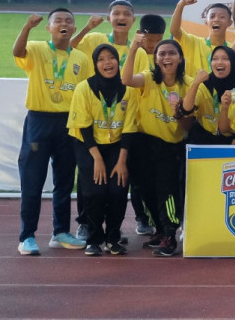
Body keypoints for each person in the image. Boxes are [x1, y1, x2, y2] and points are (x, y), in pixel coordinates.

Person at [13, 10, 89, 255]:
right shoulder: (36, 48)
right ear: (49, 27)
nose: (63, 23)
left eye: (68, 21)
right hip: (40, 120)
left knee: (64, 181)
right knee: (32, 180)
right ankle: (27, 236)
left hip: (69, 122)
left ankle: (60, 232)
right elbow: (17, 52)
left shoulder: (81, 58)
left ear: (74, 28)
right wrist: (27, 27)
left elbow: (86, 93)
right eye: (58, 20)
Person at [122, 35, 191, 257]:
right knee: (144, 190)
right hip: (143, 143)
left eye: (172, 53)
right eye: (162, 54)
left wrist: (179, 112)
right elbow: (126, 80)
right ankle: (160, 230)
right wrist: (134, 48)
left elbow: (188, 125)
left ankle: (170, 235)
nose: (166, 58)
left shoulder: (189, 84)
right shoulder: (149, 78)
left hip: (170, 147)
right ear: (155, 59)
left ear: (180, 58)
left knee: (167, 191)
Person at [67, 44, 135, 255]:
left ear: (118, 61)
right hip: (89, 145)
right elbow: (84, 126)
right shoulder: (84, 88)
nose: (108, 63)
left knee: (118, 189)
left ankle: (113, 238)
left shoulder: (128, 90)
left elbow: (129, 129)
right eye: (101, 59)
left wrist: (121, 162)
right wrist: (97, 159)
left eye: (111, 58)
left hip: (117, 145)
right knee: (94, 191)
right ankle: (94, 239)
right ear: (95, 64)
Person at [124, 14, 165, 237]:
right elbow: (127, 80)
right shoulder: (134, 53)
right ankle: (142, 217)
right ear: (140, 35)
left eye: (158, 41)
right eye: (149, 40)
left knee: (158, 179)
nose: (153, 45)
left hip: (159, 126)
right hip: (135, 124)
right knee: (137, 179)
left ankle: (162, 220)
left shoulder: (166, 54)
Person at [180, 45, 235, 145]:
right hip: (204, 139)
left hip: (234, 140)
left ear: (233, 62)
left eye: (225, 58)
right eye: (215, 59)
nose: (219, 62)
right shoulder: (204, 84)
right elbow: (186, 110)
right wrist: (196, 83)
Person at [71, 0, 137, 78]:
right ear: (109, 18)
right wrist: (87, 28)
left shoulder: (135, 50)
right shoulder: (95, 39)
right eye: (116, 13)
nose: (121, 17)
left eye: (127, 14)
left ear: (133, 20)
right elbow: (65, 48)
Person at [170, 0, 231, 74]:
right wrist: (180, 5)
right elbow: (174, 31)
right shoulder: (193, 43)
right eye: (212, 17)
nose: (216, 19)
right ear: (206, 22)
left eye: (222, 17)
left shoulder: (233, 49)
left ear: (229, 23)